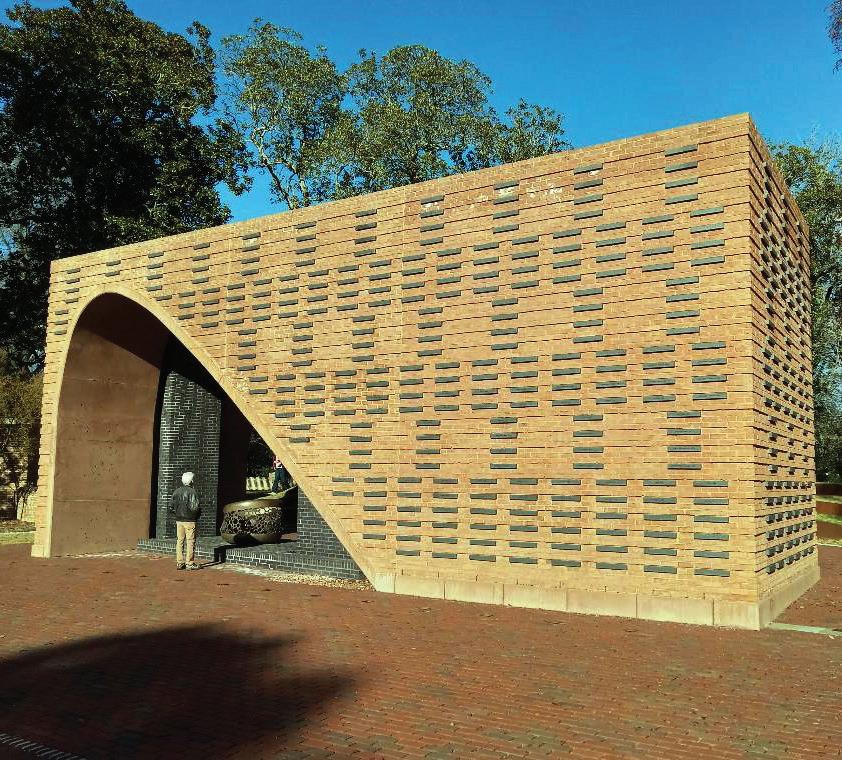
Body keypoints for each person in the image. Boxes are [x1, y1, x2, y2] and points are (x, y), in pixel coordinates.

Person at [169, 471, 201, 570]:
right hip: (190, 520)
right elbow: (195, 508)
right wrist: (196, 516)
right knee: (190, 541)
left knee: (180, 541)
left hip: (179, 520)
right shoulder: (192, 492)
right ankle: (189, 563)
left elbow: (171, 507)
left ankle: (179, 562)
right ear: (191, 481)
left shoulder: (177, 491)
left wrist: (177, 514)